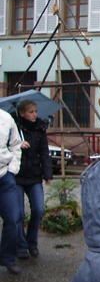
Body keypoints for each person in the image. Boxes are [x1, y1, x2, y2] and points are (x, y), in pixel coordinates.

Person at [15, 100, 52, 259]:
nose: (34, 114)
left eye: (36, 111)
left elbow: (45, 152)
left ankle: (32, 243)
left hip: (34, 176)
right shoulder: (14, 128)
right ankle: (21, 246)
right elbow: (5, 147)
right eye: (31, 112)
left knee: (38, 209)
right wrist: (18, 144)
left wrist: (47, 174)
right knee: (18, 214)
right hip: (16, 176)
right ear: (22, 113)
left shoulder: (40, 129)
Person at [0, 108, 23, 275]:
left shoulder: (6, 118)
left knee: (13, 218)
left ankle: (7, 258)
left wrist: (12, 170)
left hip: (4, 176)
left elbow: (16, 144)